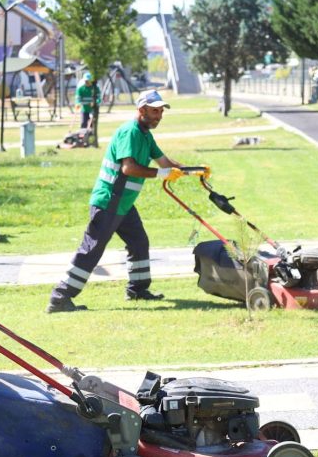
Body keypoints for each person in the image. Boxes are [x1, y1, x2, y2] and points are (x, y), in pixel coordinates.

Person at [46, 90, 202, 313]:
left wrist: (193, 171)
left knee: (139, 243)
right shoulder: (130, 132)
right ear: (141, 110)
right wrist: (161, 174)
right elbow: (129, 168)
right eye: (154, 111)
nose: (159, 115)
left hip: (124, 204)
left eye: (161, 111)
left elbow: (165, 162)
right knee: (92, 249)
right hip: (109, 201)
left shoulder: (146, 134)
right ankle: (60, 297)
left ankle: (137, 289)